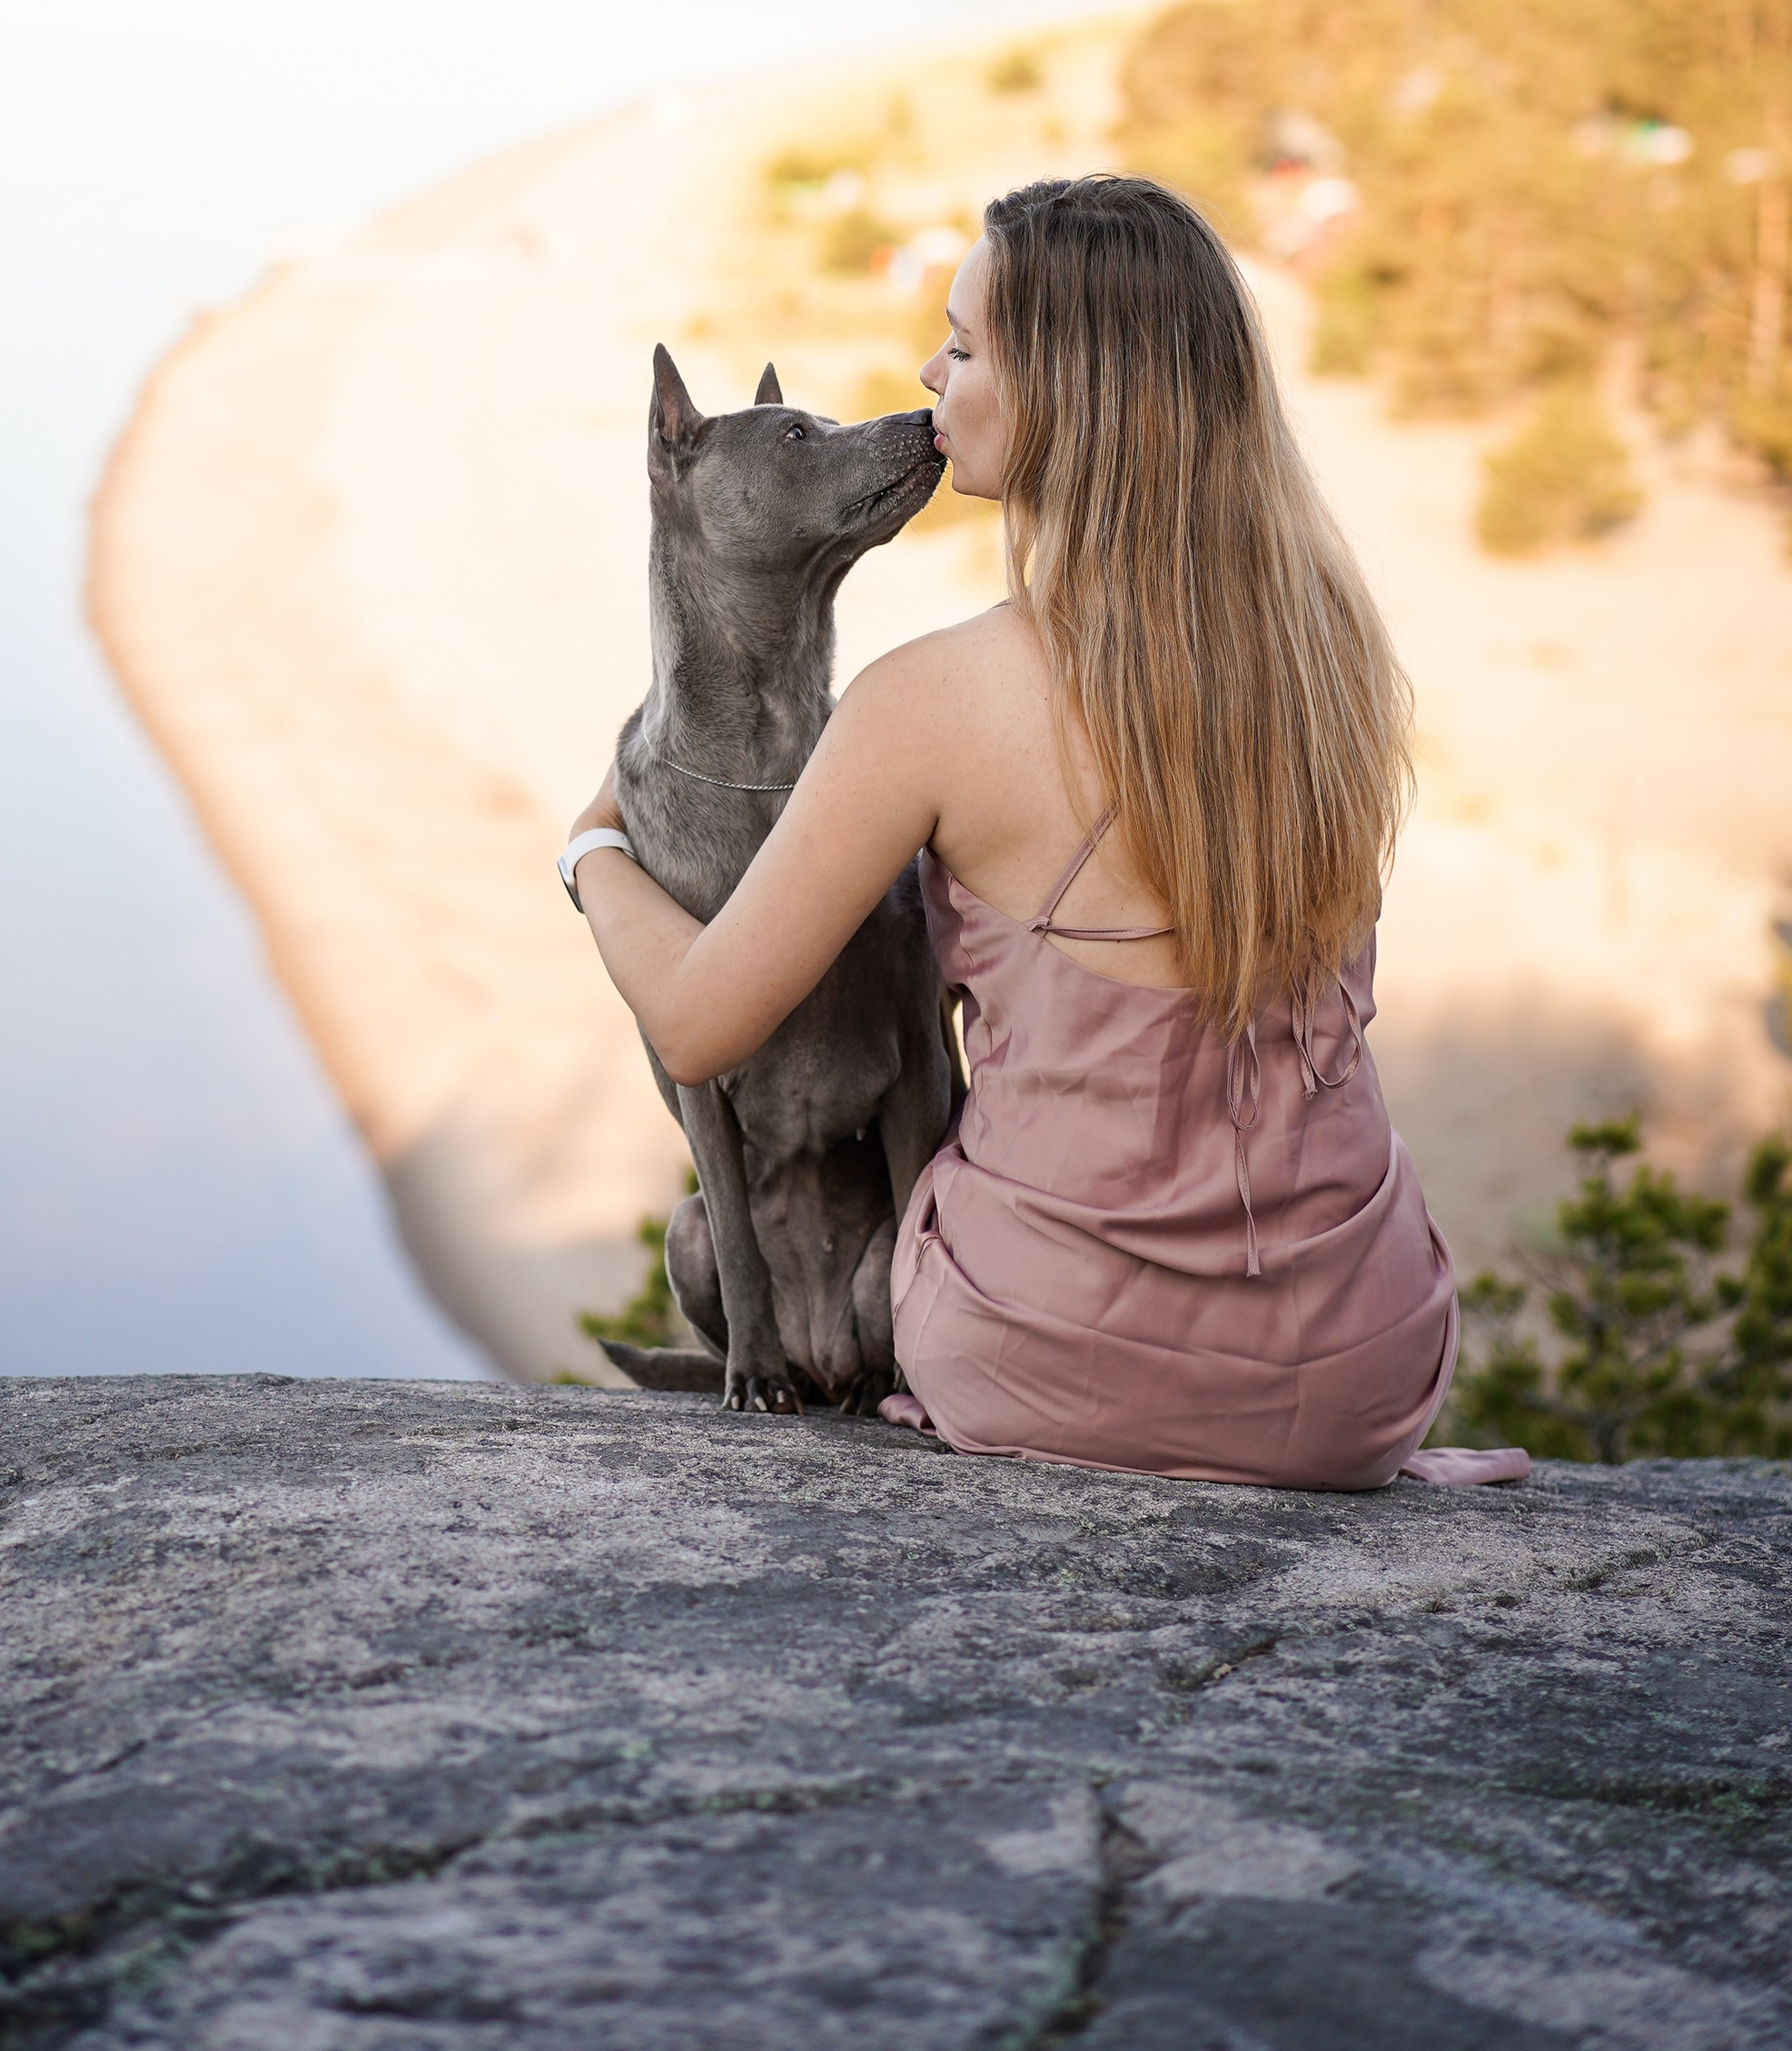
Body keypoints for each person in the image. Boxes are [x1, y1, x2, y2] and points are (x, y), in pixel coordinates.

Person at [566, 172, 1520, 1491]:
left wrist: (591, 848)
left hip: (1051, 1355)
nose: (927, 371)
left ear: (1066, 390)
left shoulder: (931, 702)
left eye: (961, 347)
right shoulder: (1331, 648)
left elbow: (691, 1025)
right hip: (1363, 1365)